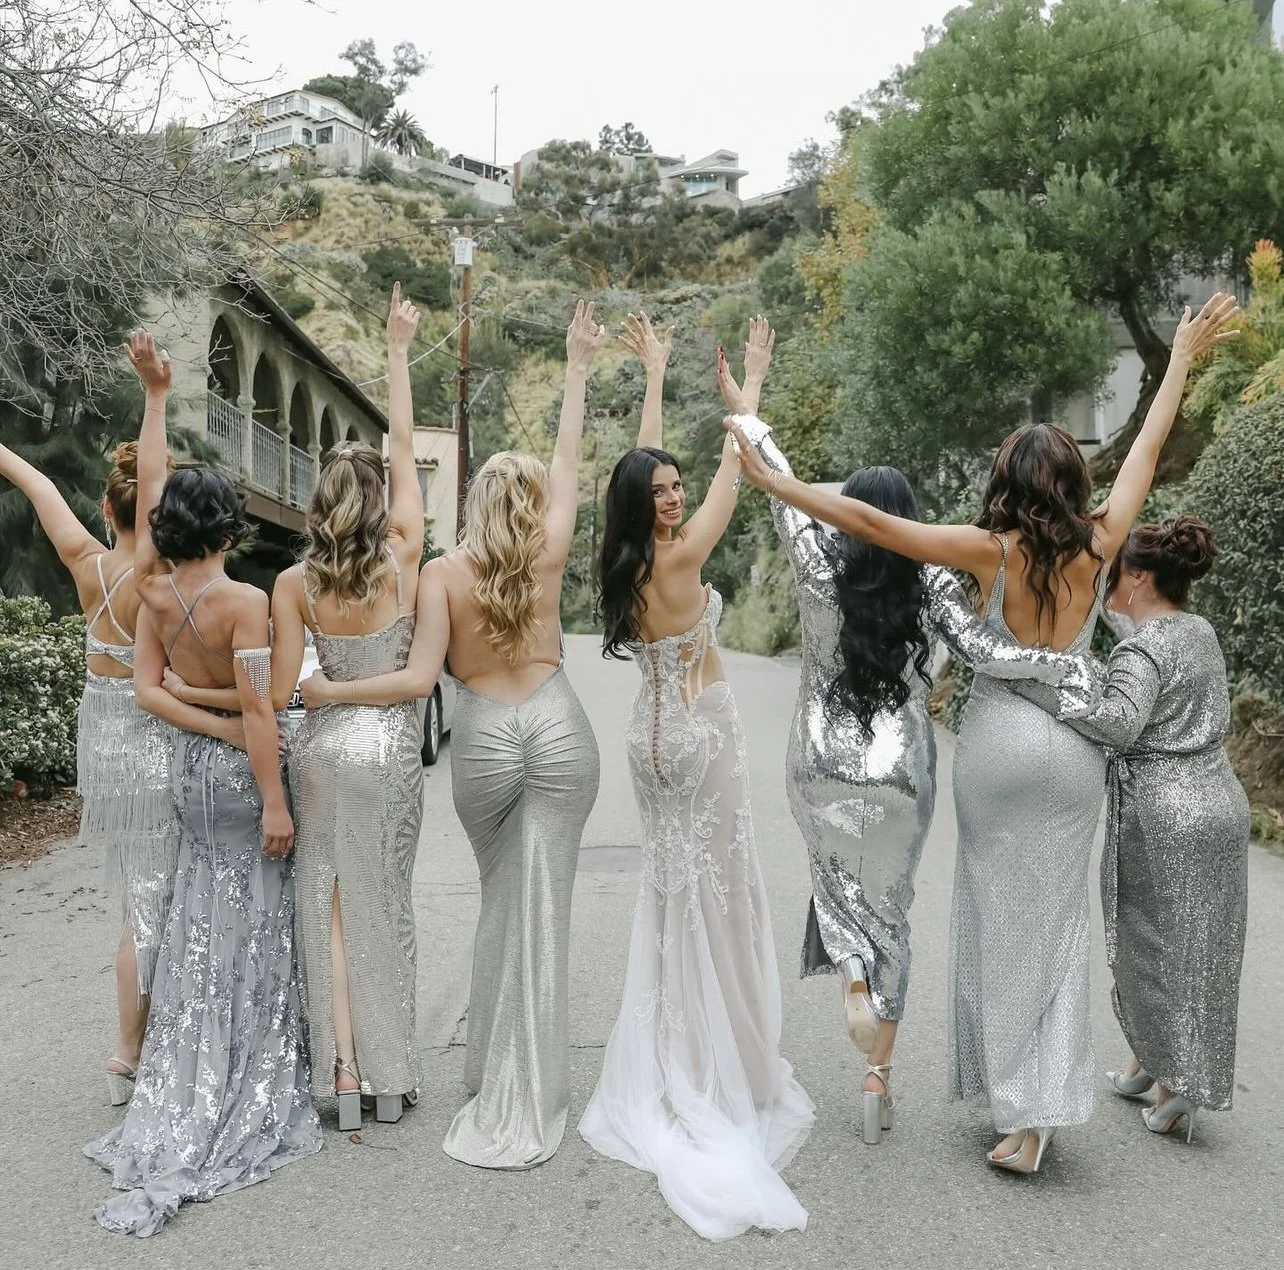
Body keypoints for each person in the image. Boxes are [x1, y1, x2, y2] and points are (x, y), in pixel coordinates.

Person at [728, 290, 1239, 1174]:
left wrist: (780, 485)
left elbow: (876, 524)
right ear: (1075, 485)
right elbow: (1149, 447)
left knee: (995, 921)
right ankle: (1037, 1112)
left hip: (1000, 748)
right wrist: (1181, 361)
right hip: (1074, 751)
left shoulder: (989, 550)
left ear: (1008, 484)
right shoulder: (1103, 542)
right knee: (1056, 929)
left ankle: (1016, 1107)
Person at [716, 326, 1093, 1147]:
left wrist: (749, 402)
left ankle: (848, 971)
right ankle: (877, 1075)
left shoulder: (818, 558)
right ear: (910, 519)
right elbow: (990, 650)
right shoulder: (932, 577)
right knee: (894, 910)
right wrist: (1068, 670)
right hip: (900, 764)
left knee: (836, 884)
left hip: (818, 754)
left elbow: (784, 489)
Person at [301, 301, 604, 1168]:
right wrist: (577, 367)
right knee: (546, 908)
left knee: (501, 900)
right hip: (557, 725)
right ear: (533, 505)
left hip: (484, 741)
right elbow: (569, 460)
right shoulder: (546, 551)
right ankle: (530, 1078)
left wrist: (327, 692)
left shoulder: (440, 570)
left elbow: (417, 677)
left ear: (469, 499)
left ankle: (490, 1072)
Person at [170, 284, 427, 1127]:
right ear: (379, 504)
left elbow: (272, 696)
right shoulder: (403, 563)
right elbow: (400, 460)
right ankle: (393, 1081)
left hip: (319, 752)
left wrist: (189, 692)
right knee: (386, 905)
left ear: (317, 505)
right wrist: (396, 355)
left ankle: (342, 1080)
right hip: (387, 752)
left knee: (330, 914)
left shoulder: (291, 582)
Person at [580, 314, 813, 1240]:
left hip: (650, 733)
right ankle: (726, 1067)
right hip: (701, 736)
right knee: (720, 896)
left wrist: (653, 377)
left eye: (677, 490)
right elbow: (735, 476)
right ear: (652, 505)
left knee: (677, 895)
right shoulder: (680, 555)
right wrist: (746, 387)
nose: (674, 500)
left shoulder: (626, 556)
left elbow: (643, 473)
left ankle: (684, 1041)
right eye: (663, 492)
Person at [85, 331, 320, 1236]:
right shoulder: (247, 603)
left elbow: (147, 692)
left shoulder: (152, 596)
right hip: (239, 774)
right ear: (228, 526)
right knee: (253, 914)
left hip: (185, 773)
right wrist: (268, 792)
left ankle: (179, 1062)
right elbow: (263, 713)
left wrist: (199, 709)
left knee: (194, 913)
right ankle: (247, 1071)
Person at [1014, 516, 1250, 1144]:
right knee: (1204, 950)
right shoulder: (1198, 631)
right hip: (1221, 804)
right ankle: (1155, 1061)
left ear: (1139, 576)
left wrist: (1047, 690)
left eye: (1116, 574)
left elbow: (1118, 723)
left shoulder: (1140, 649)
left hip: (1164, 812)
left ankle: (1175, 1090)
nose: (1106, 584)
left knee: (1150, 946)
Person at [0, 407, 176, 1106]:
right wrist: (155, 399)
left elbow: (37, 485)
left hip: (102, 745)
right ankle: (133, 1048)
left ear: (106, 507)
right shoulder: (155, 576)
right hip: (156, 743)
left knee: (140, 896)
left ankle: (136, 1045)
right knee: (160, 900)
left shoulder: (85, 563)